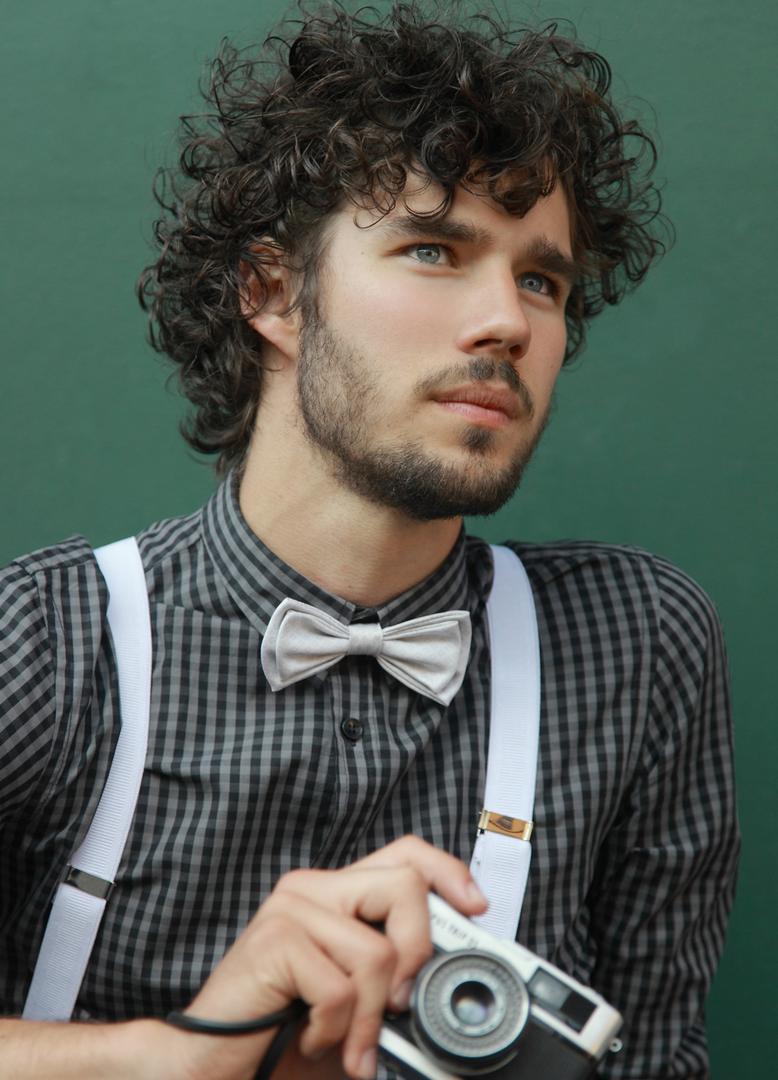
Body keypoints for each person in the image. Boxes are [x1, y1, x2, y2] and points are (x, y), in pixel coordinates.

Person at [0, 3, 739, 1078]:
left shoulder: (636, 646)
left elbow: (658, 1056)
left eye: (541, 279)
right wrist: (177, 1058)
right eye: (434, 249)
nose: (509, 322)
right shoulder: (44, 642)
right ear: (271, 292)